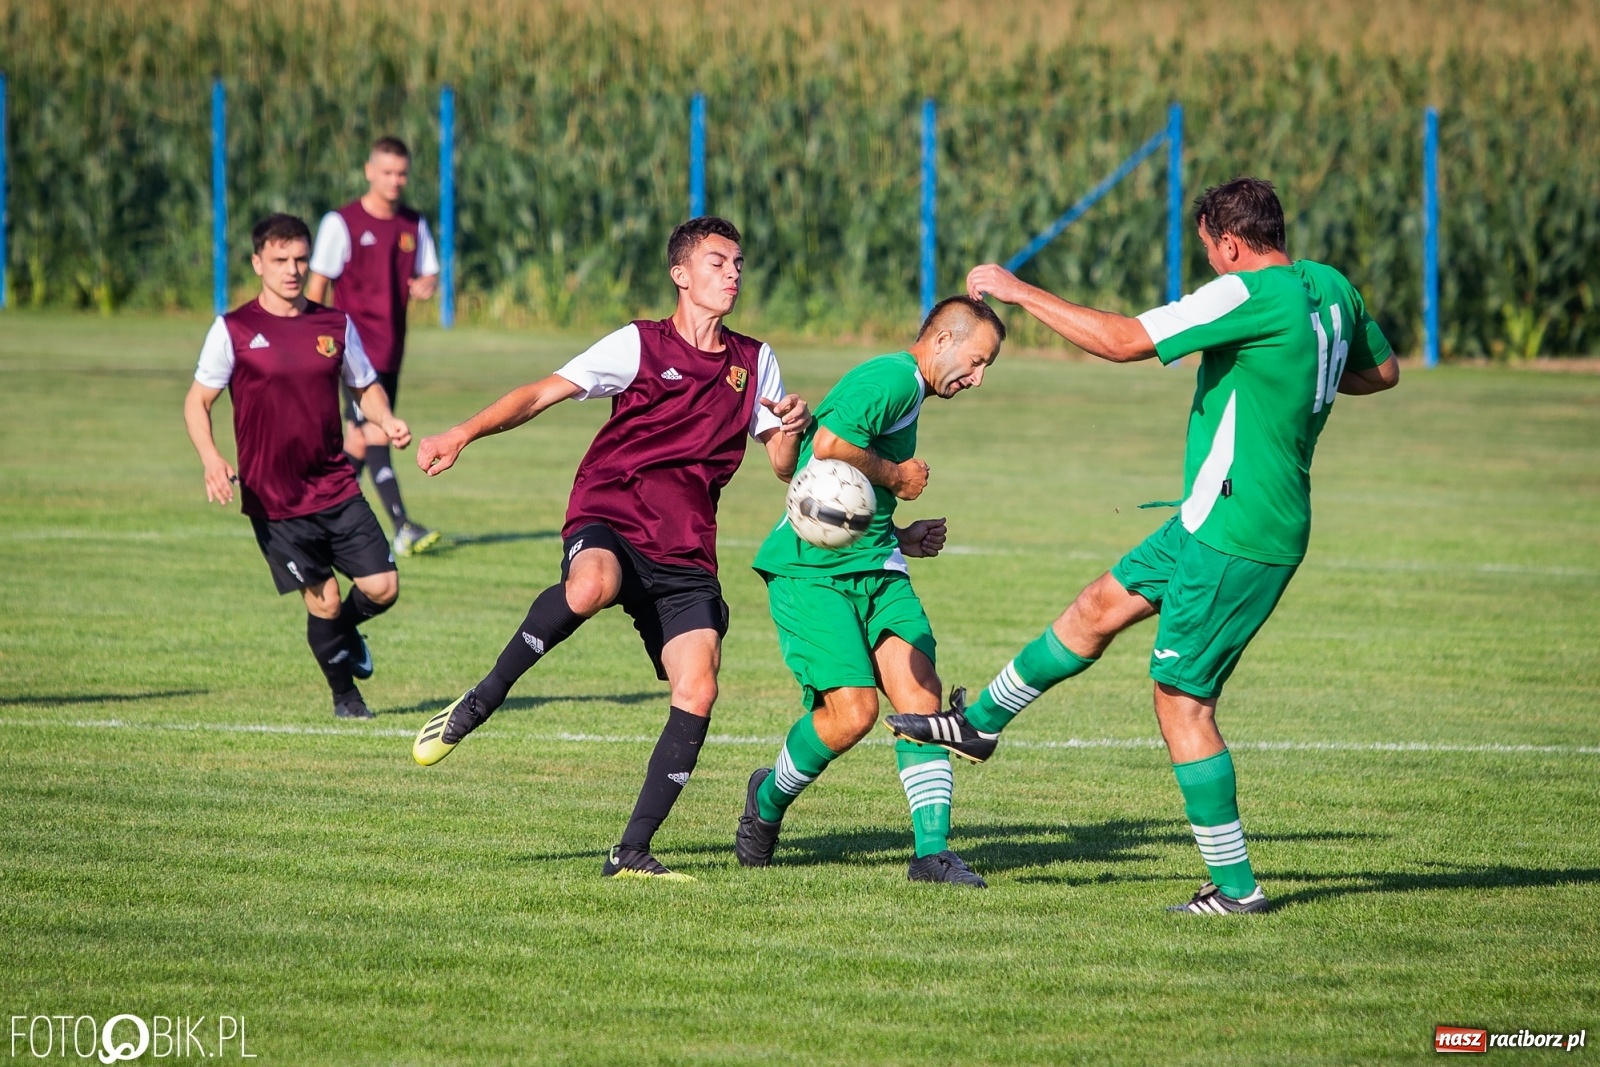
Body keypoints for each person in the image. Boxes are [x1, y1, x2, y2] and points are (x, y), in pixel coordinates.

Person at [888, 177, 1400, 913]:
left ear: (1228, 241)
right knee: (1097, 607)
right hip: (1210, 515)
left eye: (1211, 252)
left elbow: (1125, 341)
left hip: (1237, 530)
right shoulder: (1329, 287)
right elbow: (1382, 371)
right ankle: (980, 724)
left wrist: (1018, 291)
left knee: (1181, 702)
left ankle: (1235, 889)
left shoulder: (1242, 294)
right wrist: (1295, 375)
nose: (1212, 266)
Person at [410, 217, 811, 880]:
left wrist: (792, 427)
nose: (733, 274)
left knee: (700, 686)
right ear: (680, 274)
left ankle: (631, 851)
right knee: (590, 585)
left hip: (685, 549)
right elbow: (542, 392)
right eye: (717, 263)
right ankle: (482, 698)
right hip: (613, 512)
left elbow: (779, 464)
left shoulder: (754, 361)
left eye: (739, 263)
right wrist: (463, 432)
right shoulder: (639, 345)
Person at [735, 296, 1006, 887]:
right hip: (812, 572)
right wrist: (899, 476)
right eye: (976, 361)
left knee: (922, 694)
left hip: (876, 563)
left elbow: (825, 478)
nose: (977, 379)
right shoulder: (893, 378)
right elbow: (830, 447)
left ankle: (931, 854)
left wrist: (899, 534)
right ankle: (768, 799)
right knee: (852, 714)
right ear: (941, 341)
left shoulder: (908, 389)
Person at [184, 213, 411, 720]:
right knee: (325, 599)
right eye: (281, 260)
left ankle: (345, 634)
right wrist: (211, 458)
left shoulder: (334, 325)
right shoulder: (234, 330)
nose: (292, 269)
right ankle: (346, 698)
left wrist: (386, 417)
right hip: (275, 498)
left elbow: (363, 386)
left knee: (383, 587)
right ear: (258, 262)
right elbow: (197, 402)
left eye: (301, 259)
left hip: (334, 483)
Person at [307, 136, 442, 558]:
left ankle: (318, 523)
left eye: (401, 173)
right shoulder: (340, 222)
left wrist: (426, 285)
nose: (395, 180)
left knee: (359, 442)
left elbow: (429, 274)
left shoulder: (413, 225)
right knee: (377, 430)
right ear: (369, 171)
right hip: (350, 352)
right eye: (386, 172)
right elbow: (317, 285)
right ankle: (403, 526)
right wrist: (312, 339)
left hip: (390, 350)